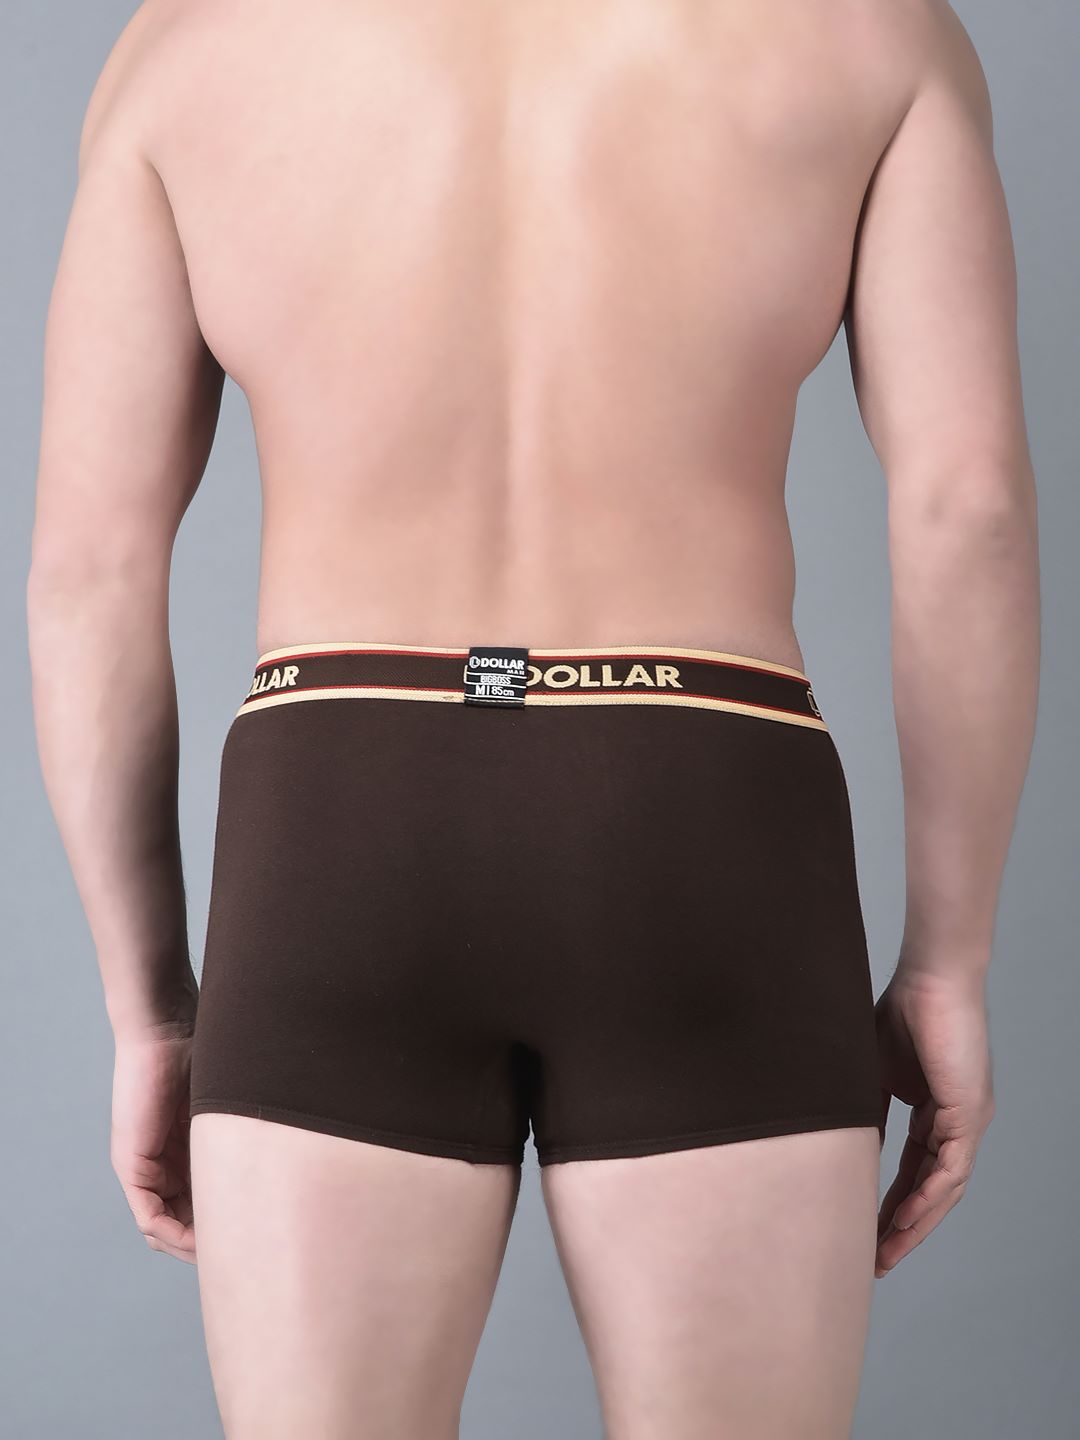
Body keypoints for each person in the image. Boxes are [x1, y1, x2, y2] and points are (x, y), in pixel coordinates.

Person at [27, 0, 1039, 1435]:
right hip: (704, 802)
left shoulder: (187, 45)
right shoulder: (872, 30)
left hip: (338, 820)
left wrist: (149, 1007)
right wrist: (949, 961)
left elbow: (88, 567)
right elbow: (966, 512)